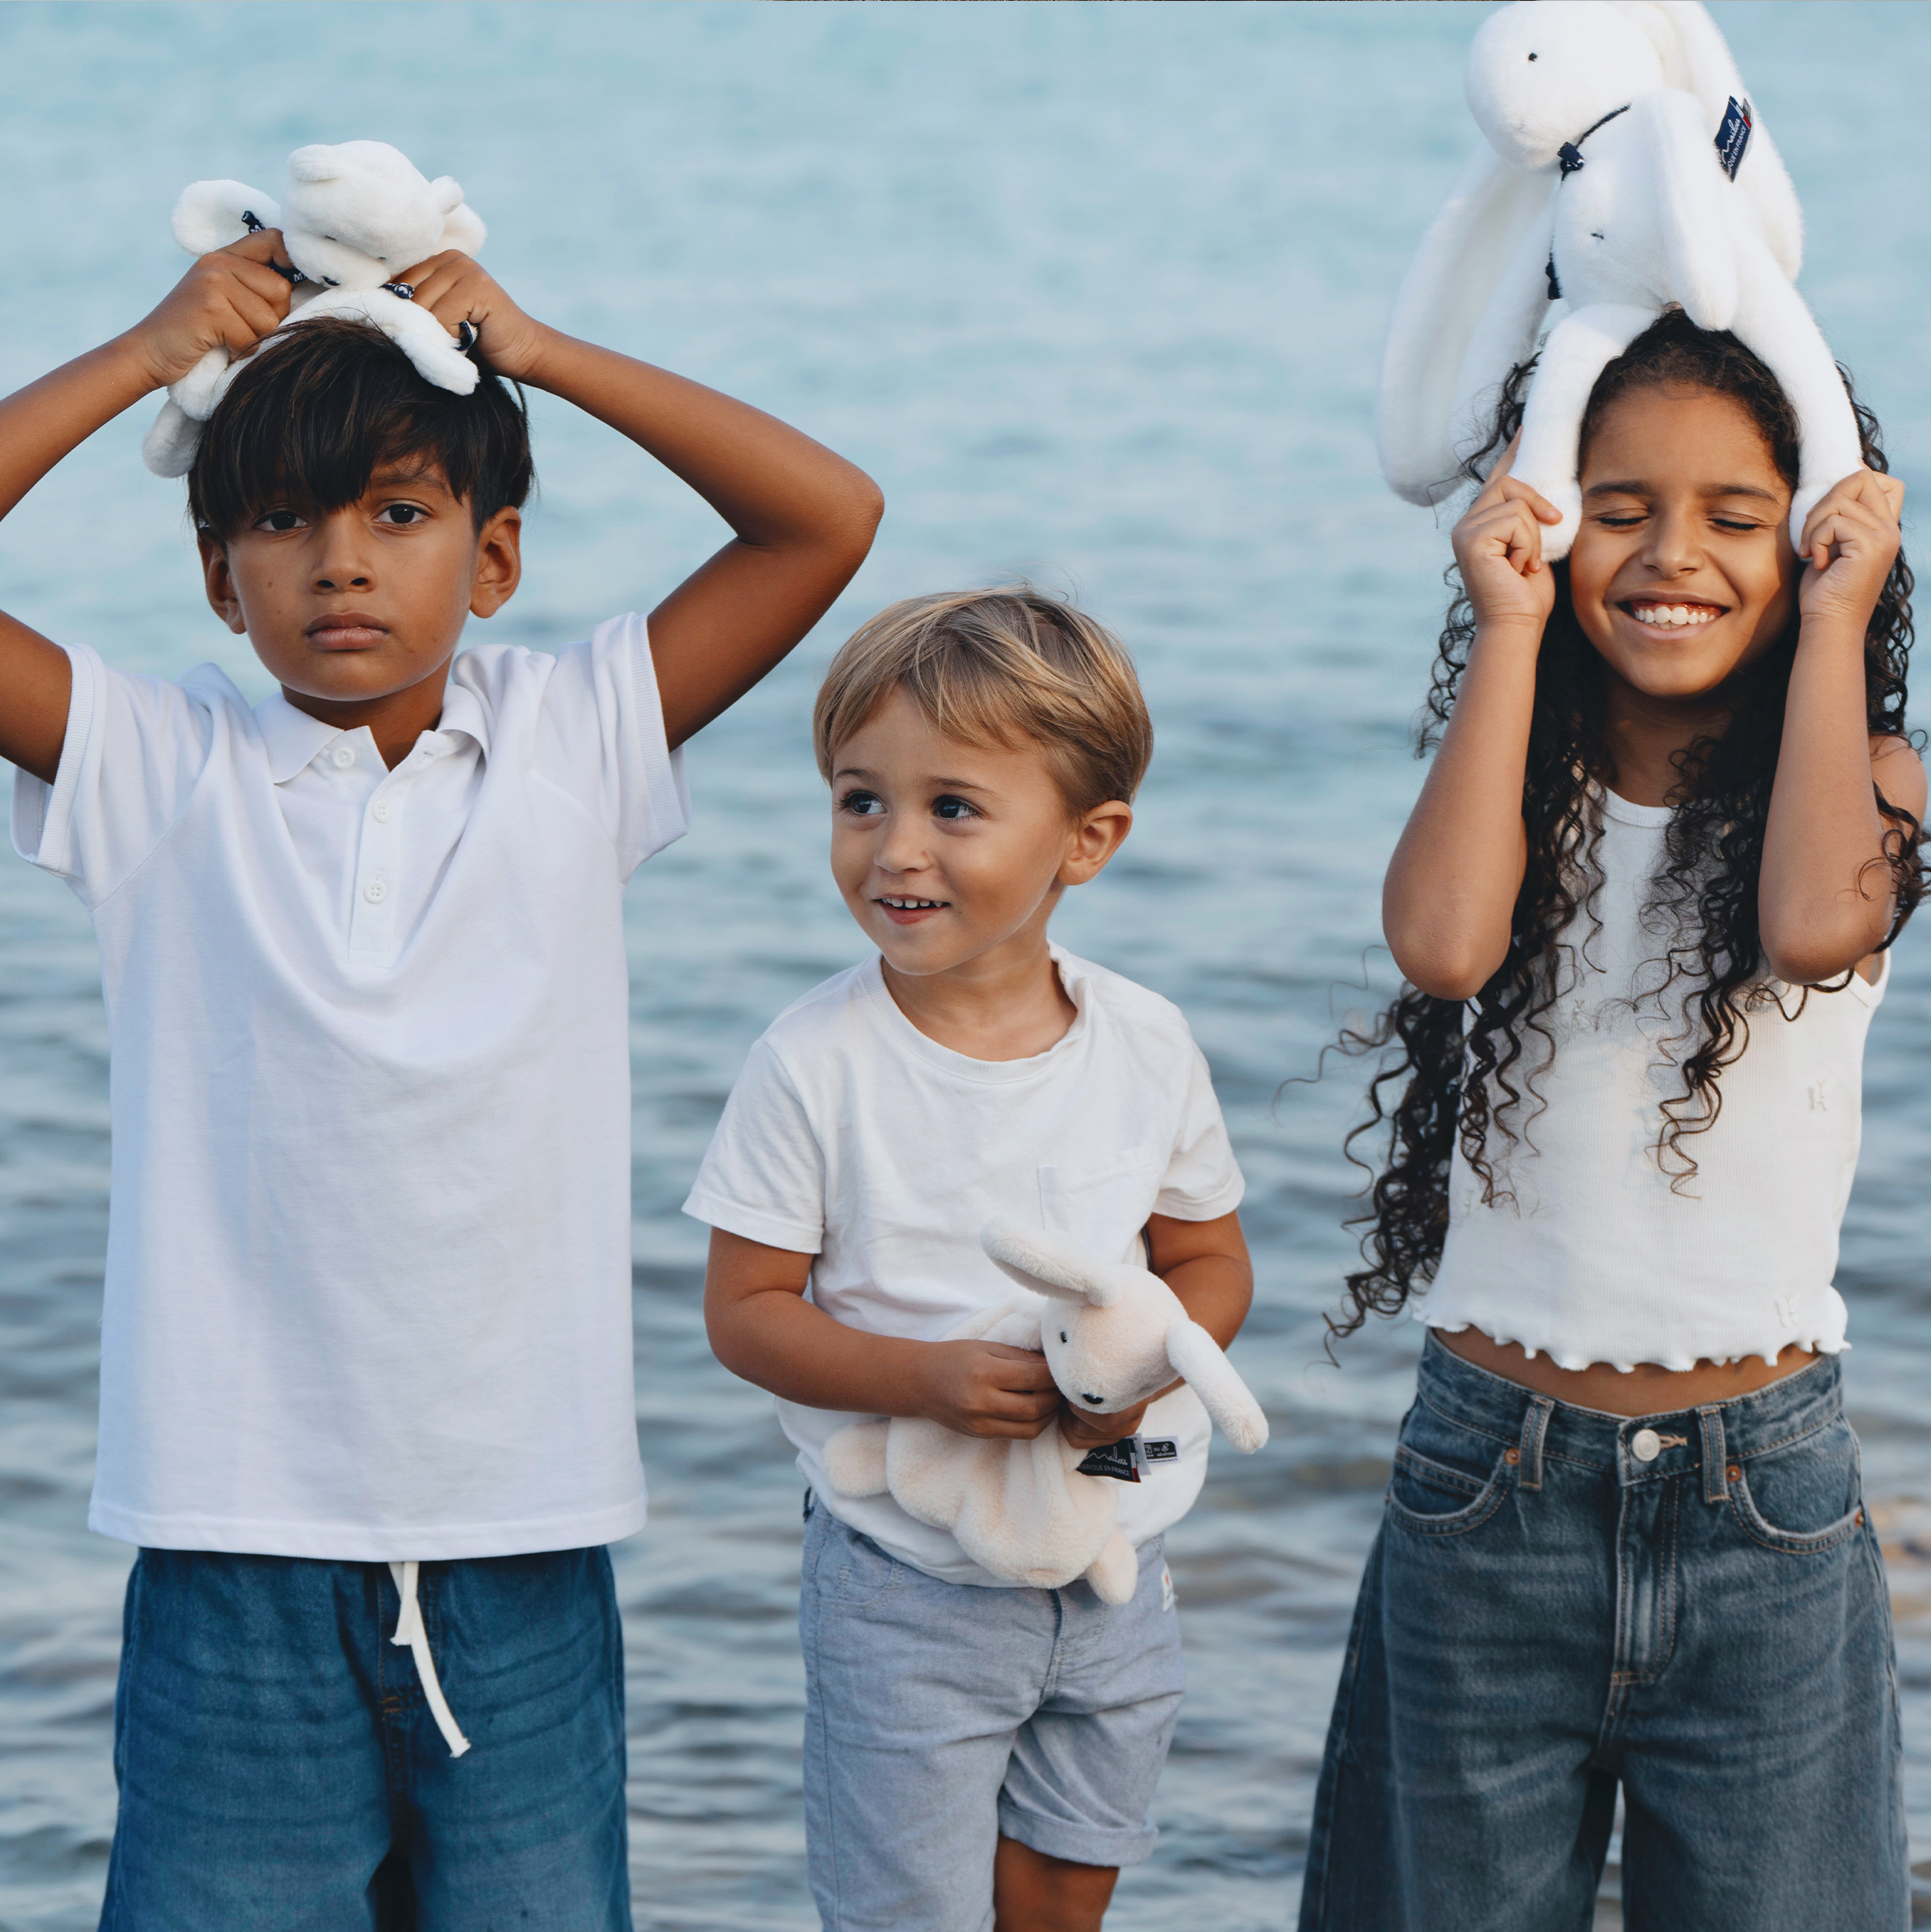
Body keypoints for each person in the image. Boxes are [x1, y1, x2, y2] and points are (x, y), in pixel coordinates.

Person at [0, 224, 882, 1928]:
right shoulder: (157, 767)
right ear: (217, 576)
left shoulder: (574, 738)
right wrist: (146, 353)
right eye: (283, 521)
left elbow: (825, 517)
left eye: (398, 514)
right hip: (233, 1536)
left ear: (494, 558)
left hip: (520, 1532)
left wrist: (536, 350)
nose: (341, 562)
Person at [1300, 307, 1921, 1931]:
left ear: (1808, 531)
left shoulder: (1872, 780)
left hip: (1761, 1502)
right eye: (1618, 507)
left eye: (1735, 517)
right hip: (1485, 1489)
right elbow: (1441, 946)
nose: (1670, 555)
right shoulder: (1513, 771)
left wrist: (1840, 611)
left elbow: (1808, 922)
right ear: (1552, 521)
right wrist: (1502, 622)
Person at [686, 589, 1254, 1932]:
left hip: (1117, 1545)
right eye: (859, 800)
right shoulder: (812, 1062)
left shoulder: (1144, 1041)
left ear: (1086, 840)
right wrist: (922, 1378)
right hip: (905, 1578)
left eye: (952, 806)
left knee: (1070, 1873)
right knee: (906, 1907)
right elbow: (746, 1311)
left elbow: (1207, 1261)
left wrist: (1141, 1377)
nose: (894, 848)